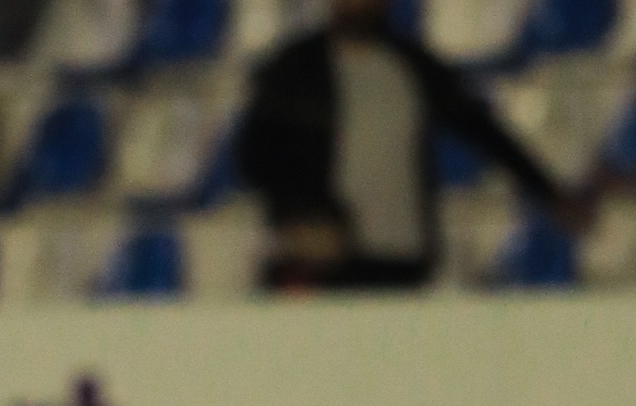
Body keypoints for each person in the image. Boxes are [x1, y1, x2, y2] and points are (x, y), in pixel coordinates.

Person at [236, 0, 583, 290]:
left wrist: (547, 191)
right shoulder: (295, 69)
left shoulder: (410, 65)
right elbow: (258, 152)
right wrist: (299, 215)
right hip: (322, 256)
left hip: (403, 251)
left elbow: (481, 129)